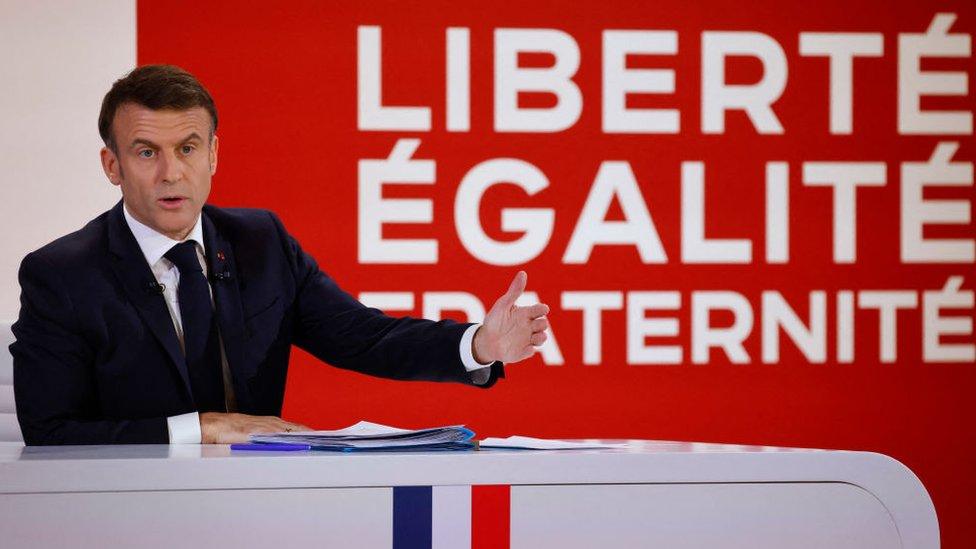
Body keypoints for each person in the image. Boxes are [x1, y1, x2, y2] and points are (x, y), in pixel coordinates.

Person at [10, 65, 549, 446]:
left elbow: (364, 337)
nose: (171, 173)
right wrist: (205, 427)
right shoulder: (61, 275)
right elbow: (50, 430)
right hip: (122, 516)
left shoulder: (260, 242)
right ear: (112, 165)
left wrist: (478, 343)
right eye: (147, 152)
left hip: (258, 505)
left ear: (214, 154)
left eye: (188, 148)